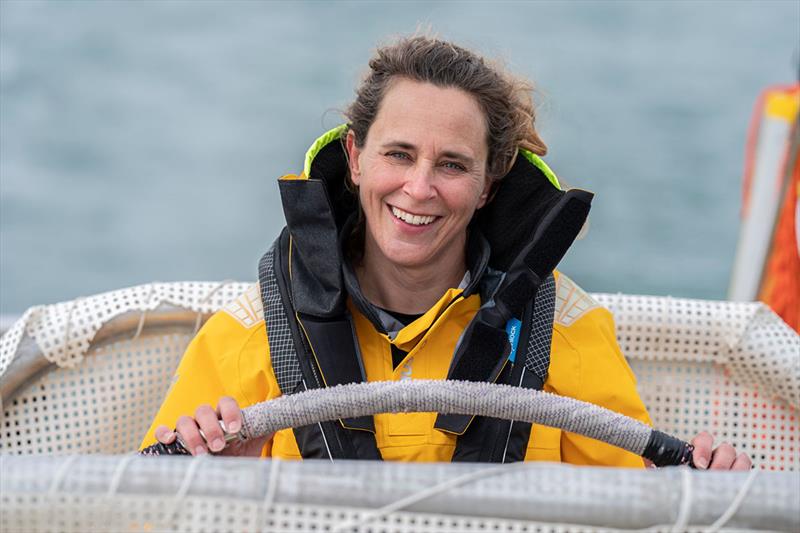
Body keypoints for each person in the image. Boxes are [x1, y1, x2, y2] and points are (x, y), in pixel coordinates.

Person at [141, 35, 750, 470]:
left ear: (490, 184)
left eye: (452, 165)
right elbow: (143, 509)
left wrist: (710, 491)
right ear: (355, 159)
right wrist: (220, 487)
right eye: (398, 154)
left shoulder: (564, 332)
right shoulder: (247, 338)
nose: (420, 187)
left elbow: (643, 506)